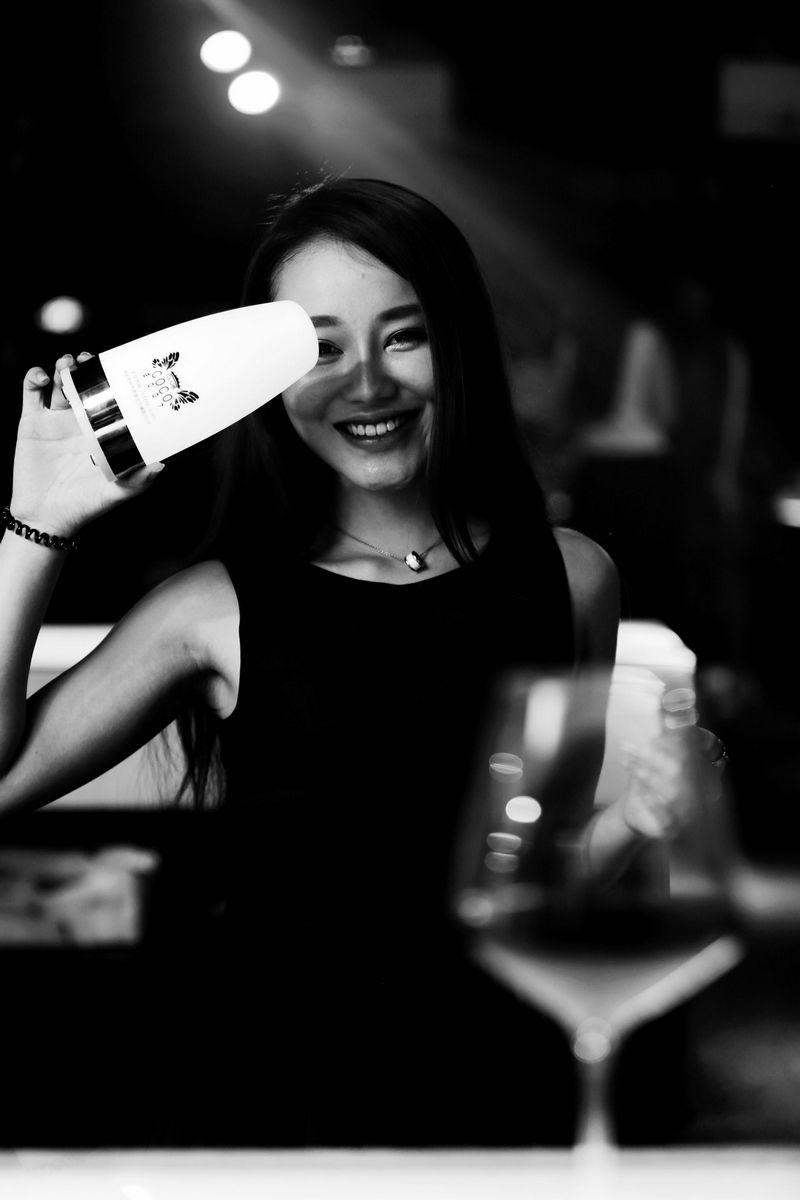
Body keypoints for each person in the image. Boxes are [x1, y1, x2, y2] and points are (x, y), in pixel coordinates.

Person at [0, 178, 709, 1146]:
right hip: (272, 1102)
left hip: (499, 1088)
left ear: (459, 343)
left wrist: (639, 818)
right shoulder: (211, 608)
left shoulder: (573, 578)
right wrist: (36, 524)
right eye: (322, 348)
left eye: (404, 336)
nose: (366, 383)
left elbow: (531, 880)